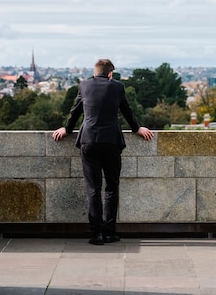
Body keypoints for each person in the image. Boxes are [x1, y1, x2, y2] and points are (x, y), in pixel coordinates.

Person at [52, 59, 154, 245]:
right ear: (110, 74)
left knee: (93, 189)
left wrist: (66, 129)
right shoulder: (117, 87)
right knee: (111, 187)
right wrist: (137, 128)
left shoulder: (84, 86)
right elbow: (127, 110)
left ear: (95, 72)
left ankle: (96, 233)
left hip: (89, 140)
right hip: (111, 141)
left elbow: (75, 112)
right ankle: (109, 231)